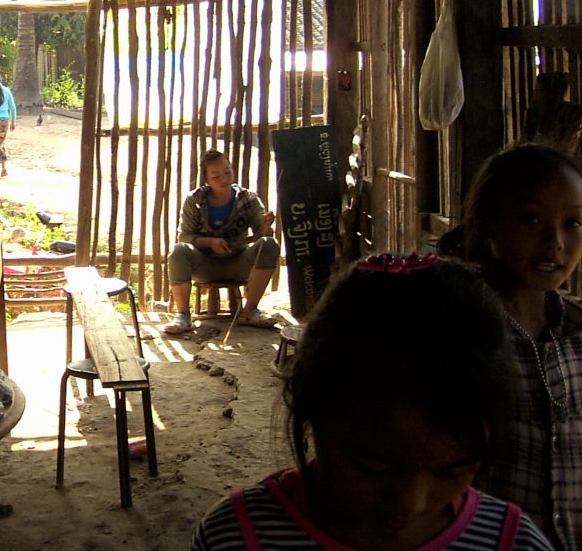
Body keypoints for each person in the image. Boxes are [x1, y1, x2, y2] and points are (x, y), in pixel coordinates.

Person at [190, 254, 555, 550]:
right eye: (373, 467)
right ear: (311, 405)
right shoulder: (236, 538)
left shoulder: (513, 542)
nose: (409, 504)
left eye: (452, 471)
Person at [439, 143, 582, 550]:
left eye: (573, 223)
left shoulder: (576, 332)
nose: (555, 241)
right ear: (486, 224)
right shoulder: (457, 327)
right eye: (531, 218)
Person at [162, 149, 280, 334]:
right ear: (206, 180)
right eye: (216, 176)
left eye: (227, 171)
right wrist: (210, 242)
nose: (225, 179)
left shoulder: (248, 199)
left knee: (270, 245)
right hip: (204, 265)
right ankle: (183, 315)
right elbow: (184, 236)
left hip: (239, 263)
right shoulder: (195, 200)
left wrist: (266, 225)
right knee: (178, 251)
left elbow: (262, 236)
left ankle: (249, 311)